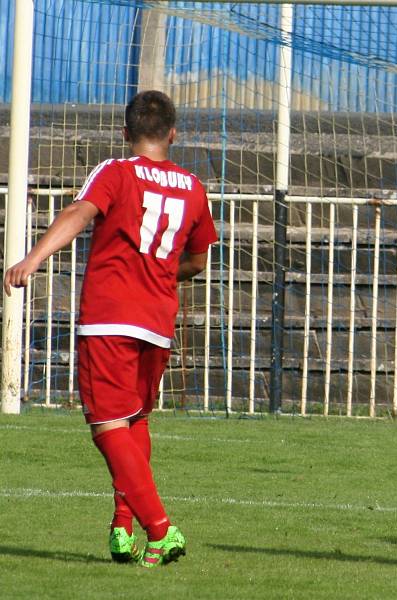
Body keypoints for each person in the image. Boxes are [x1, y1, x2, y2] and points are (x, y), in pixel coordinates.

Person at [4, 90, 218, 568]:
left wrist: (33, 259)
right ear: (173, 134)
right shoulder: (193, 187)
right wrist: (161, 271)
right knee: (134, 419)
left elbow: (80, 213)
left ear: (125, 133)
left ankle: (161, 532)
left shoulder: (116, 171)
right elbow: (199, 259)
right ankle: (122, 527)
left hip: (110, 316)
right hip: (158, 322)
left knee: (106, 424)